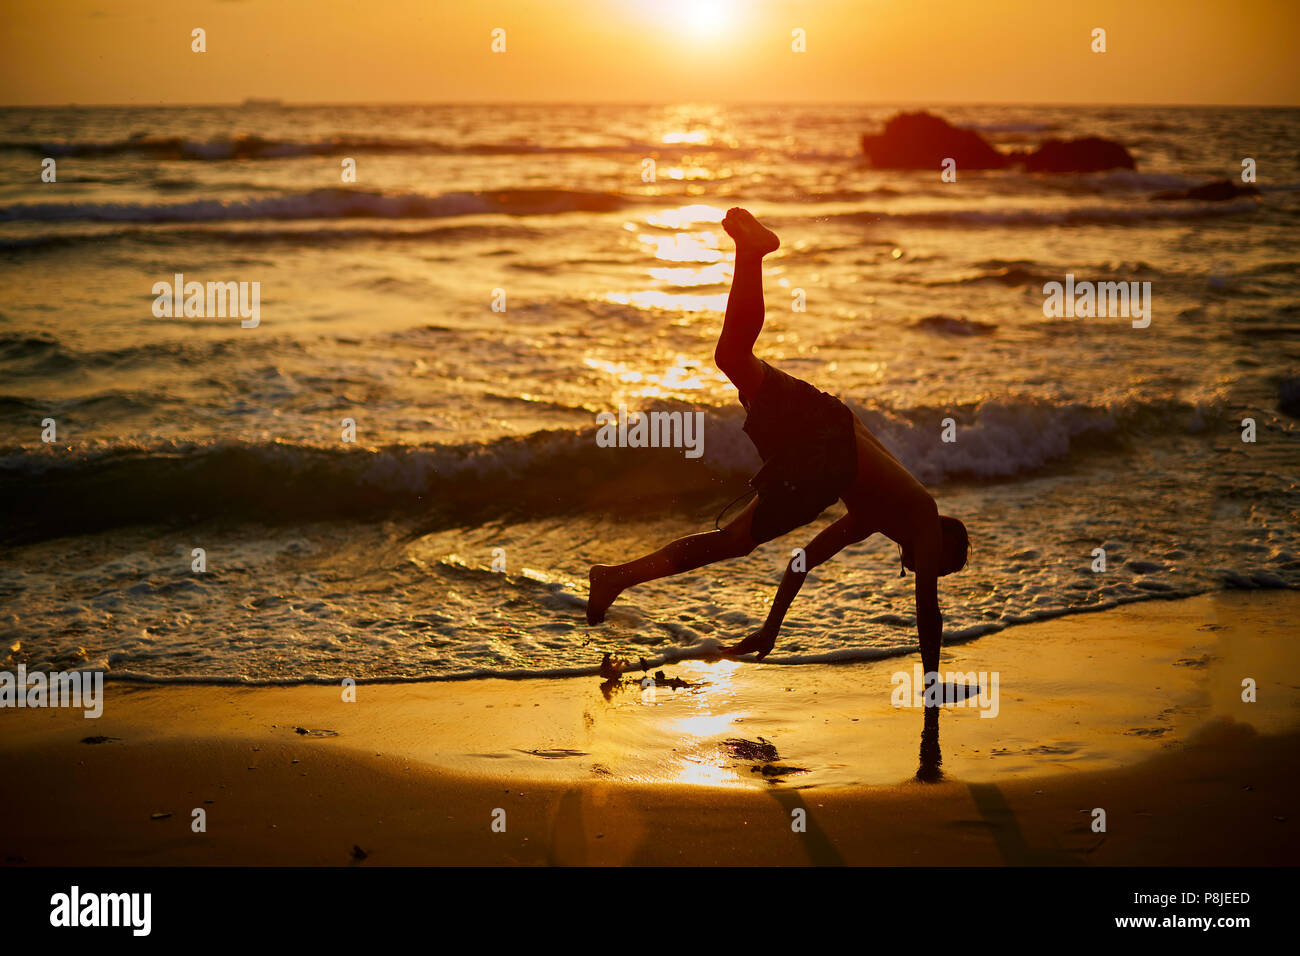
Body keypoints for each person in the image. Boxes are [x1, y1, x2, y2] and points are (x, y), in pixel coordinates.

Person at [586, 208, 968, 674]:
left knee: (731, 356)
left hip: (827, 419)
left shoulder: (874, 514)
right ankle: (617, 579)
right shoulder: (924, 515)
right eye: (942, 564)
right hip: (828, 453)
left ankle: (752, 253)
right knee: (733, 540)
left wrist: (772, 627)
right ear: (942, 537)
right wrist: (932, 686)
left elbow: (800, 561)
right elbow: (928, 613)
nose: (930, 569)